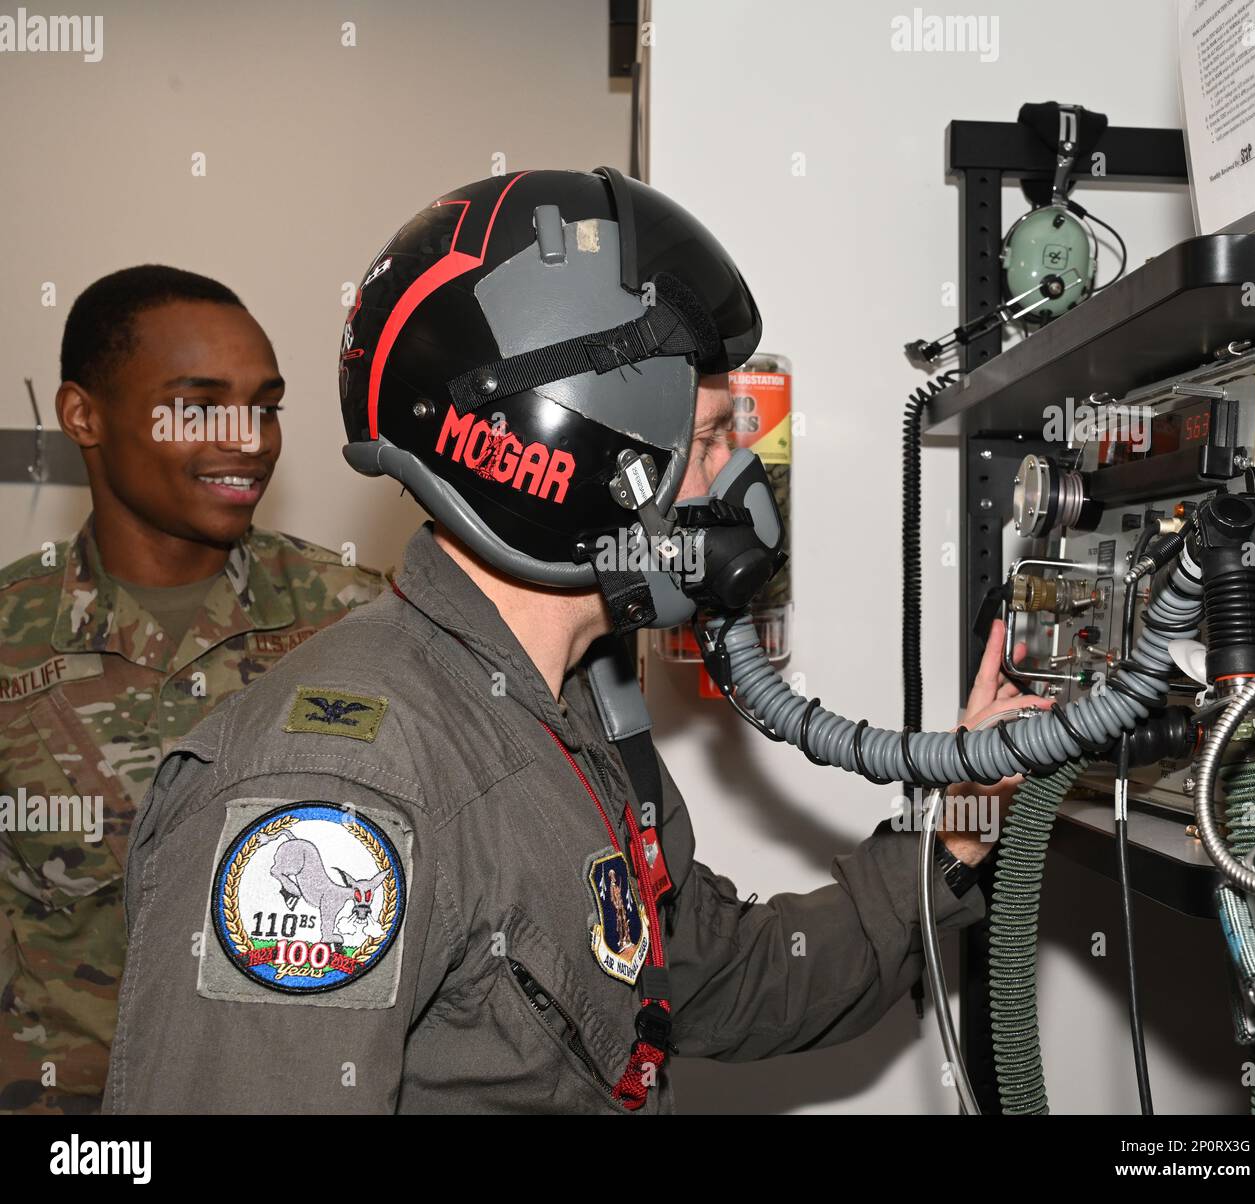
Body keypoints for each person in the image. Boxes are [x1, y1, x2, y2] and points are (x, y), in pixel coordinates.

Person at [104, 171, 1041, 1115]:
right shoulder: (336, 789)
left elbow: (716, 979)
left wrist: (957, 831)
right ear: (589, 462)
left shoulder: (574, 709)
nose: (739, 482)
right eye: (710, 440)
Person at [0, 266, 385, 1113]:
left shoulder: (366, 624)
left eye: (266, 405)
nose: (248, 437)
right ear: (83, 416)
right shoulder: (10, 639)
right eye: (200, 403)